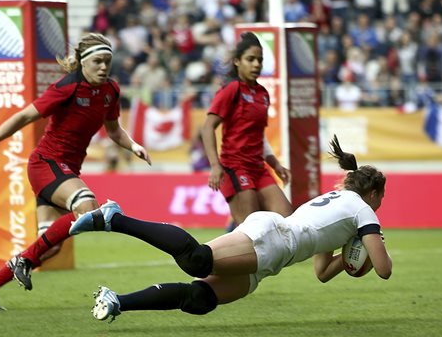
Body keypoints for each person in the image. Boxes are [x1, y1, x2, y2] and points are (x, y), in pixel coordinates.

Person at [69, 135, 392, 322]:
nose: (380, 205)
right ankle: (115, 218)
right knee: (196, 260)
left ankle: (117, 302)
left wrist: (347, 259)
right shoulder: (363, 210)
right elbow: (384, 269)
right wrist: (370, 244)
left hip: (274, 256)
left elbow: (322, 271)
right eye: (382, 198)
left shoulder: (339, 202)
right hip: (273, 239)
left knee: (200, 298)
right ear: (374, 193)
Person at [0, 33, 152, 311]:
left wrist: (134, 146)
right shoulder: (67, 86)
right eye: (98, 62)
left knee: (50, 246)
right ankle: (22, 262)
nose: (104, 67)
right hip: (46, 164)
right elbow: (24, 116)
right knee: (87, 206)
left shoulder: (110, 91)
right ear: (83, 63)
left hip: (65, 170)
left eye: (108, 62)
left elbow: (114, 131)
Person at [201, 32, 293, 228]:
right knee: (253, 230)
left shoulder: (262, 94)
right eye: (250, 59)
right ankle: (218, 253)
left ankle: (229, 236)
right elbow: (208, 127)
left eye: (260, 60)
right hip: (235, 167)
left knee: (289, 223)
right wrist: (215, 166)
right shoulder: (231, 89)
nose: (256, 65)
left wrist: (275, 165)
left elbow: (259, 136)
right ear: (237, 61)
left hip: (259, 168)